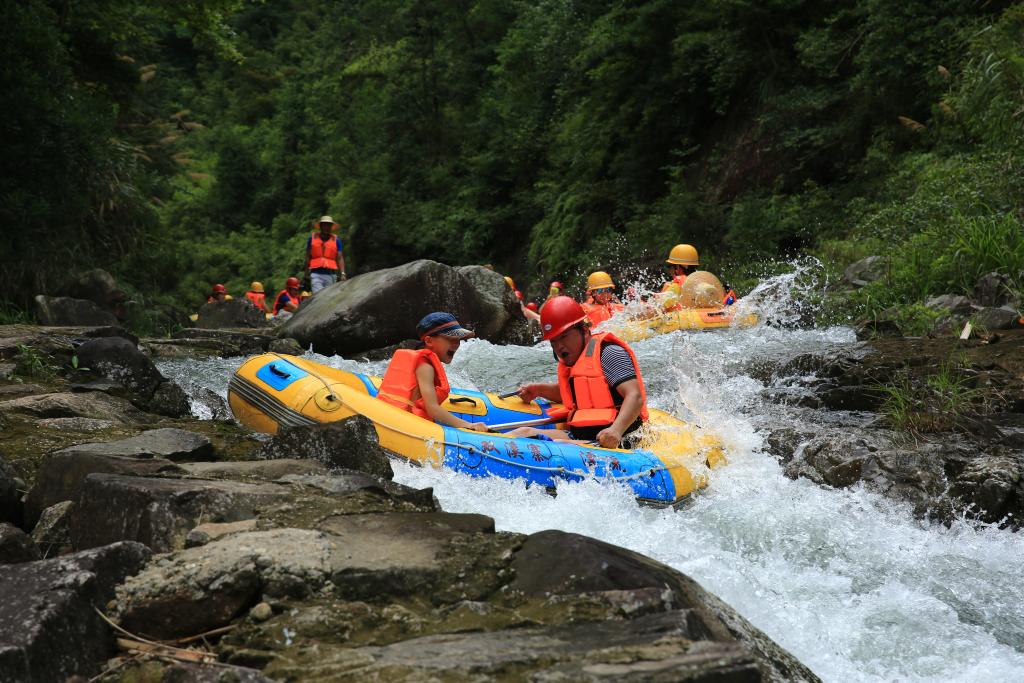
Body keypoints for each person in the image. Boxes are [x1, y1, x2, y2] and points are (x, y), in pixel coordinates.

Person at [508, 297, 648, 449]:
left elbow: (635, 396)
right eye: (553, 341)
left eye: (564, 337)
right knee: (524, 432)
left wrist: (616, 430)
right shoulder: (574, 360)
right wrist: (538, 390)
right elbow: (574, 393)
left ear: (584, 329)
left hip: (615, 439)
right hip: (582, 436)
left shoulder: (609, 353)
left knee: (539, 441)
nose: (559, 346)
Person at [377, 312, 489, 431]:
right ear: (429, 341)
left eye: (458, 340)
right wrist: (469, 425)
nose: (456, 345)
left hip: (391, 416)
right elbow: (432, 409)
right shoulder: (425, 367)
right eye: (451, 339)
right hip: (404, 426)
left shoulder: (419, 360)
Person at [306, 215, 346, 293]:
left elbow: (340, 258)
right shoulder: (312, 238)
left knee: (329, 297)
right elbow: (308, 256)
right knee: (318, 296)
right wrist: (306, 273)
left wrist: (343, 273)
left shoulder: (336, 240)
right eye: (325, 225)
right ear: (321, 226)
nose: (327, 227)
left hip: (331, 275)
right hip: (316, 274)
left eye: (329, 225)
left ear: (331, 227)